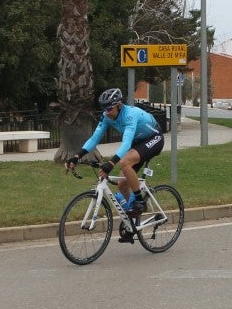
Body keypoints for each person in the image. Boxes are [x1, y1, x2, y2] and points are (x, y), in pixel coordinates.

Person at [64, 88, 164, 223]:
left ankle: (140, 202)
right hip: (138, 142)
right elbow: (95, 138)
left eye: (109, 108)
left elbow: (126, 143)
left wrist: (111, 163)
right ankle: (133, 222)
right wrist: (77, 156)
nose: (107, 112)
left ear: (119, 105)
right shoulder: (106, 116)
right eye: (104, 109)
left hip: (153, 138)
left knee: (124, 162)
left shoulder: (130, 114)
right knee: (122, 183)